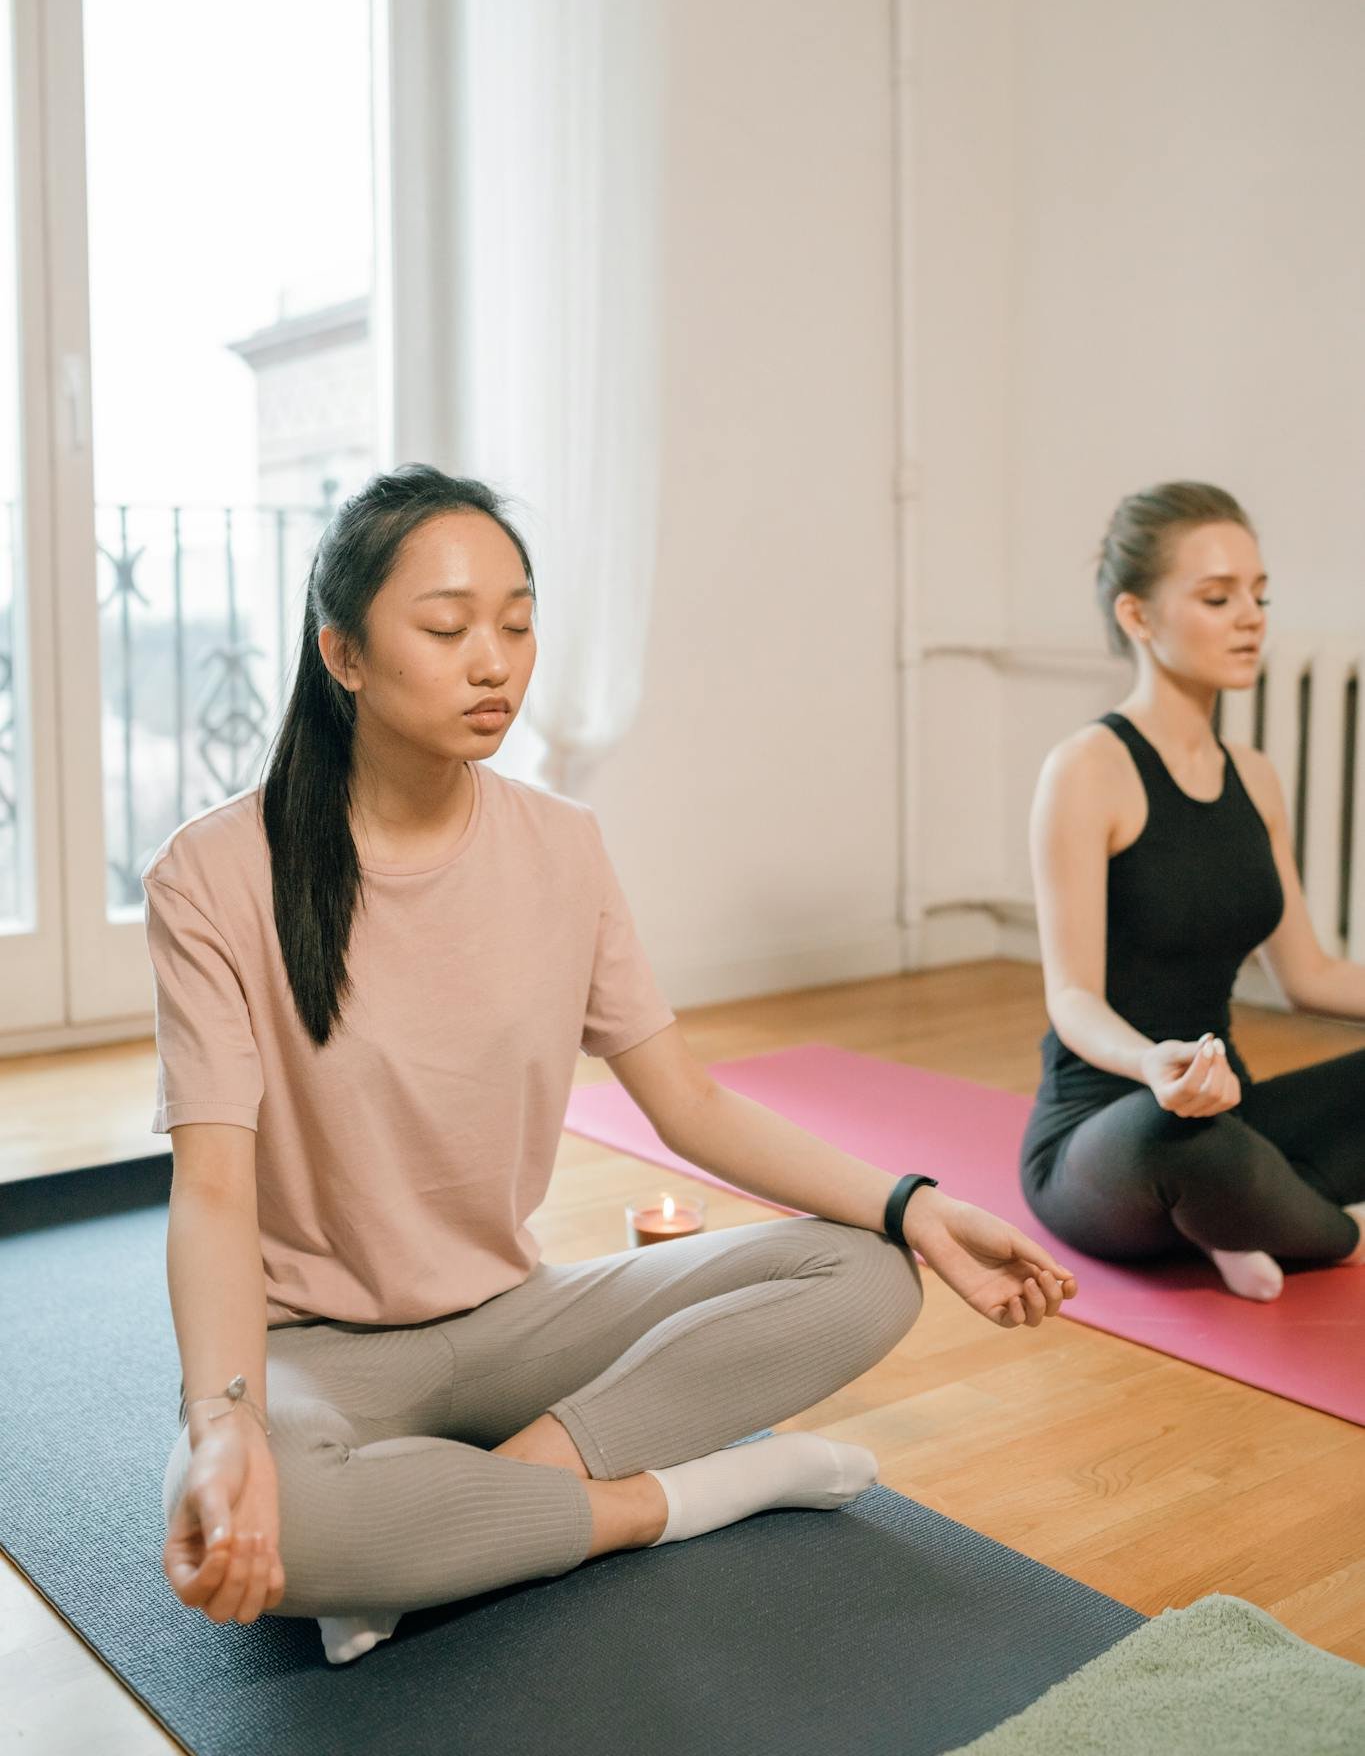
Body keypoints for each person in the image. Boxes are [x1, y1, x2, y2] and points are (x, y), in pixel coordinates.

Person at [151, 464, 1075, 1665]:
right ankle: (678, 1497)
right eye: (447, 628)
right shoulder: (215, 872)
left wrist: (918, 1204)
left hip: (515, 1318)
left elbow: (688, 1101)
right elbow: (214, 1188)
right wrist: (225, 1419)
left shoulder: (562, 845)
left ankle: (476, 1508)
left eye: (517, 623)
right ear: (345, 654)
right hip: (315, 1353)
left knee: (871, 1271)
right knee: (263, 1522)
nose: (494, 662)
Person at [1022, 480, 1365, 1303]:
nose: (1251, 618)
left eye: (1258, 596)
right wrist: (1151, 1064)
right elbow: (1071, 998)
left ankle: (1240, 1214)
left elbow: (1309, 975)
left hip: (1225, 1117)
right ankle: (1301, 1222)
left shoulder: (1254, 777)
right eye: (1217, 598)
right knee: (1180, 1132)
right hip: (1108, 1135)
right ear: (1137, 616)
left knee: (1216, 1134)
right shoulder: (1085, 770)